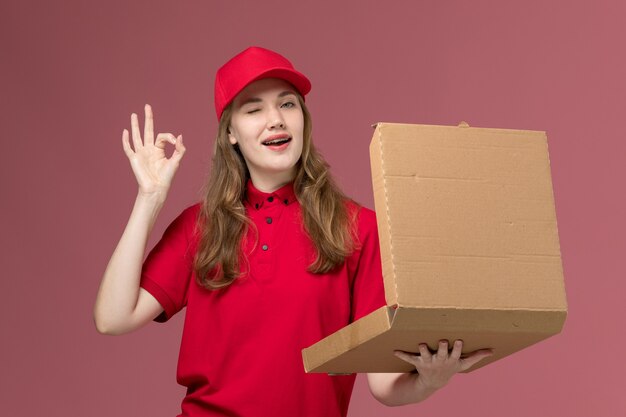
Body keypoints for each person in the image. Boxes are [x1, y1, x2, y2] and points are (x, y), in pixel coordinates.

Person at [93, 46, 492, 417]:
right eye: (254, 110)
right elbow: (113, 318)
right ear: (230, 133)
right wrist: (149, 200)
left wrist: (430, 379)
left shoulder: (360, 228)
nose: (276, 119)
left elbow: (384, 384)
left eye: (287, 104)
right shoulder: (200, 226)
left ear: (303, 118)